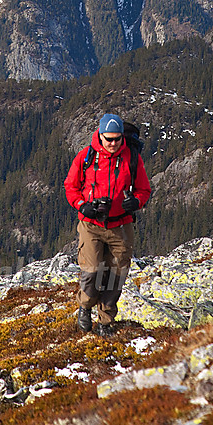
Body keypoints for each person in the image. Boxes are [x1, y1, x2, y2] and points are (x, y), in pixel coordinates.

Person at [64, 113, 151, 336]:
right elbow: (71, 186)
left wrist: (136, 202)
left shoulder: (132, 158)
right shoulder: (86, 157)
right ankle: (85, 307)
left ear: (123, 137)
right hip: (91, 225)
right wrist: (83, 206)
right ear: (100, 136)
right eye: (108, 139)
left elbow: (144, 190)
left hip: (121, 225)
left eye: (117, 139)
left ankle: (105, 321)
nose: (113, 144)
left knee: (115, 275)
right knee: (92, 271)